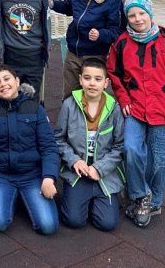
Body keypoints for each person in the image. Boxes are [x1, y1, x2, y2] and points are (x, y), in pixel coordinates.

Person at [107, 0, 165, 228]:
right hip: (135, 108)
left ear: (150, 14)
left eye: (142, 13)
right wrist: (123, 98)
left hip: (162, 109)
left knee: (158, 158)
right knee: (131, 149)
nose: (137, 19)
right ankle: (140, 194)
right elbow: (114, 73)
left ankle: (154, 202)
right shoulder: (122, 43)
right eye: (132, 15)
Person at [0, 64, 59, 234]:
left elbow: (49, 146)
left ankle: (25, 197)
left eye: (7, 79)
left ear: (17, 81)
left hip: (31, 175)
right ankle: (11, 197)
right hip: (2, 176)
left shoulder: (35, 109)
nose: (3, 84)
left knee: (48, 226)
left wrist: (48, 178)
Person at [54, 58, 125, 231]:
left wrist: (99, 168)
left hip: (104, 173)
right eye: (87, 78)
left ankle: (100, 198)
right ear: (80, 80)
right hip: (78, 171)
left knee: (107, 223)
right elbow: (58, 139)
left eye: (97, 79)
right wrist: (74, 160)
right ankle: (80, 197)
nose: (92, 83)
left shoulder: (114, 108)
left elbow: (119, 146)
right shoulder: (69, 105)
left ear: (106, 83)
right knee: (73, 221)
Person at [50, 0, 124, 99]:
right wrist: (52, 4)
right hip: (73, 52)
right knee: (70, 93)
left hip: (95, 55)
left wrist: (101, 34)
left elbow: (117, 31)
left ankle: (93, 113)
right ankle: (69, 112)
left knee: (92, 94)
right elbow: (70, 6)